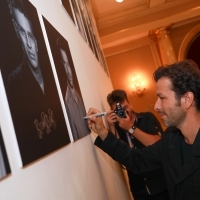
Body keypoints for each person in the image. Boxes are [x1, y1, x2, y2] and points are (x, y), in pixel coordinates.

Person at [87, 60, 200, 200]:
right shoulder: (171, 139)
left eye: (162, 98)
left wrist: (131, 128)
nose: (156, 106)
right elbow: (136, 160)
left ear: (187, 99)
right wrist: (103, 131)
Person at [5, 0, 69, 166]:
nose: (28, 44)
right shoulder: (13, 86)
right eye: (23, 34)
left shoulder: (54, 79)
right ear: (17, 33)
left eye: (31, 36)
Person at [106, 90, 169, 200]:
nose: (124, 112)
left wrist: (130, 128)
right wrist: (111, 127)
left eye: (125, 108)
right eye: (119, 110)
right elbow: (118, 153)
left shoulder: (147, 118)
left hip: (161, 182)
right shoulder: (117, 127)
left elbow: (159, 144)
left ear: (130, 104)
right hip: (138, 187)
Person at [56, 37, 90, 141]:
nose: (68, 71)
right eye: (65, 65)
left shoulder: (80, 98)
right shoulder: (67, 102)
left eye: (69, 65)